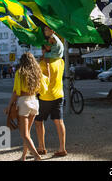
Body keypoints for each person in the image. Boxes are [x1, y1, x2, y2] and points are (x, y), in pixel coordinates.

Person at [4, 52, 48, 161]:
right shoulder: (37, 73)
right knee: (27, 133)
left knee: (24, 135)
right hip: (34, 102)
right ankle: (23, 156)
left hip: (24, 103)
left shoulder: (20, 73)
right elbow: (43, 90)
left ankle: (37, 156)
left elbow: (16, 92)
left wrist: (9, 105)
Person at [35, 26, 67, 157]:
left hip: (45, 97)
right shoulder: (60, 61)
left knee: (38, 122)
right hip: (59, 94)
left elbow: (39, 81)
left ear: (46, 49)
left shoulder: (43, 63)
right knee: (59, 121)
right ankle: (62, 148)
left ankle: (41, 147)